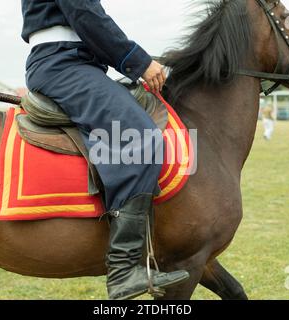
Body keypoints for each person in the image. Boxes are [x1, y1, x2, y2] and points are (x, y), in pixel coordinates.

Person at [20, 0, 189, 300]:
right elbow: (86, 14)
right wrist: (138, 61)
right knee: (142, 137)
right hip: (62, 64)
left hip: (78, 62)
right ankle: (124, 270)